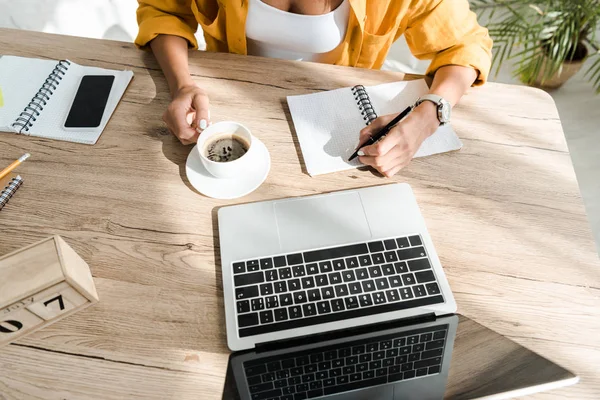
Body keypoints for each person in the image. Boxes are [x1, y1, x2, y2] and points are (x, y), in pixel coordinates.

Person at [136, 0, 492, 177]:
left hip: (341, 132)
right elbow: (163, 9)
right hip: (231, 108)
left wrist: (429, 115)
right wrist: (182, 84)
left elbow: (465, 45)